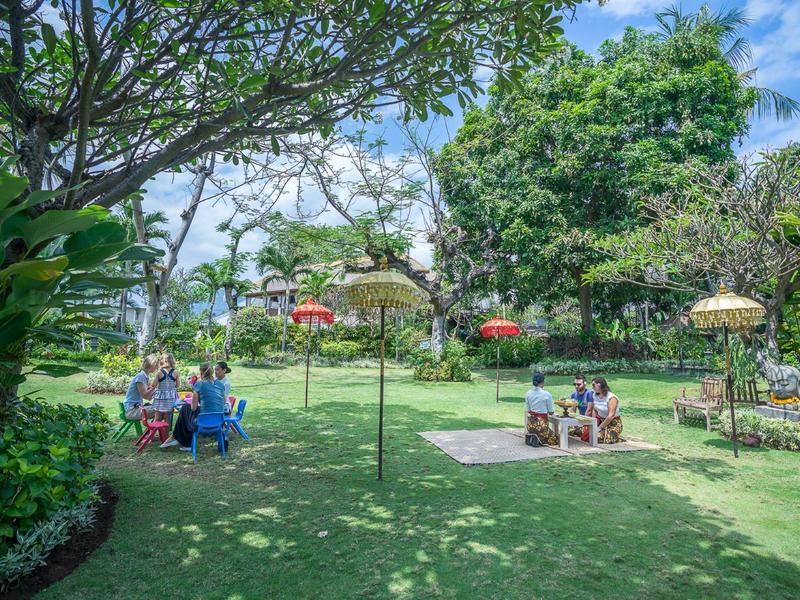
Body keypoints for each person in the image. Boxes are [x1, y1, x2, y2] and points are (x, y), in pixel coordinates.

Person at [160, 363, 226, 451]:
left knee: (185, 409)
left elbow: (193, 408)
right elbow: (223, 402)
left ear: (201, 373)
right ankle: (177, 439)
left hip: (204, 423)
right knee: (187, 409)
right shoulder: (221, 385)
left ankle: (179, 440)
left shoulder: (199, 384)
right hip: (219, 422)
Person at [585, 377, 623, 444]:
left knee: (596, 437)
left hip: (612, 423)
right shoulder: (594, 395)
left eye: (594, 385)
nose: (592, 387)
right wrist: (594, 423)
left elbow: (611, 416)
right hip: (600, 421)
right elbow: (595, 410)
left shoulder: (611, 398)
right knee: (585, 434)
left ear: (600, 385)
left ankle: (614, 436)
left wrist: (599, 428)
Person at [524, 372, 558, 446]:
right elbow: (551, 412)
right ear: (543, 382)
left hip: (530, 425)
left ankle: (535, 437)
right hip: (541, 425)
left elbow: (528, 409)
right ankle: (540, 439)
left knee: (539, 431)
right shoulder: (547, 394)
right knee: (555, 440)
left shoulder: (528, 393)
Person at [123, 355, 158, 420]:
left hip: (136, 408)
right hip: (132, 411)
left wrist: (157, 391)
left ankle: (151, 429)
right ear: (152, 365)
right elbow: (144, 395)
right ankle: (152, 430)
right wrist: (154, 387)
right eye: (156, 365)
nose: (157, 367)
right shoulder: (141, 377)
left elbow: (149, 397)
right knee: (161, 410)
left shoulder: (145, 377)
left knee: (161, 409)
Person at [151, 352, 180, 423]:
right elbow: (177, 385)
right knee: (167, 419)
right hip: (170, 398)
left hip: (160, 398)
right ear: (172, 361)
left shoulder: (159, 372)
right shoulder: (175, 372)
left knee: (157, 418)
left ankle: (153, 433)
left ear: (161, 361)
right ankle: (165, 434)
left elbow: (153, 385)